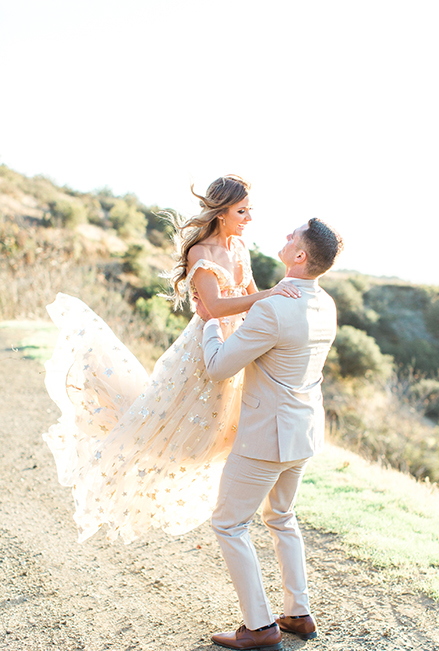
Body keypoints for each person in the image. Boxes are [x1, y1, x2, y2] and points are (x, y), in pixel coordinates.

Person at [43, 175, 300, 544]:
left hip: (239, 343)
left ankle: (241, 501)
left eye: (249, 210)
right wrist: (268, 297)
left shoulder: (240, 245)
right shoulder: (201, 252)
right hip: (204, 346)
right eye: (242, 211)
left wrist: (272, 309)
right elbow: (213, 307)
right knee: (181, 428)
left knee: (224, 429)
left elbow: (252, 294)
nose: (248, 218)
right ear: (221, 211)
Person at [202, 217, 343, 651]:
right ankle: (297, 613)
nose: (283, 238)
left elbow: (218, 366)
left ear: (300, 256)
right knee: (281, 517)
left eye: (291, 237)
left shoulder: (273, 308)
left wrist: (209, 323)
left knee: (228, 523)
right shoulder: (327, 305)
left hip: (266, 436)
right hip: (303, 431)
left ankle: (259, 626)